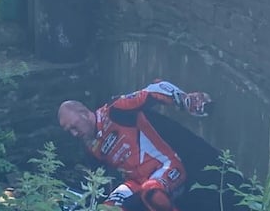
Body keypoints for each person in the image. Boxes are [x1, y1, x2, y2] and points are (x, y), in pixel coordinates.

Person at [58, 80, 212, 211]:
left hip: (166, 167)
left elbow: (154, 89)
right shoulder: (91, 148)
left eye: (74, 127)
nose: (74, 134)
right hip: (135, 182)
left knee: (152, 193)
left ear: (84, 114)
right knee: (107, 208)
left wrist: (185, 100)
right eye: (69, 131)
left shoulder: (115, 110)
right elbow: (102, 182)